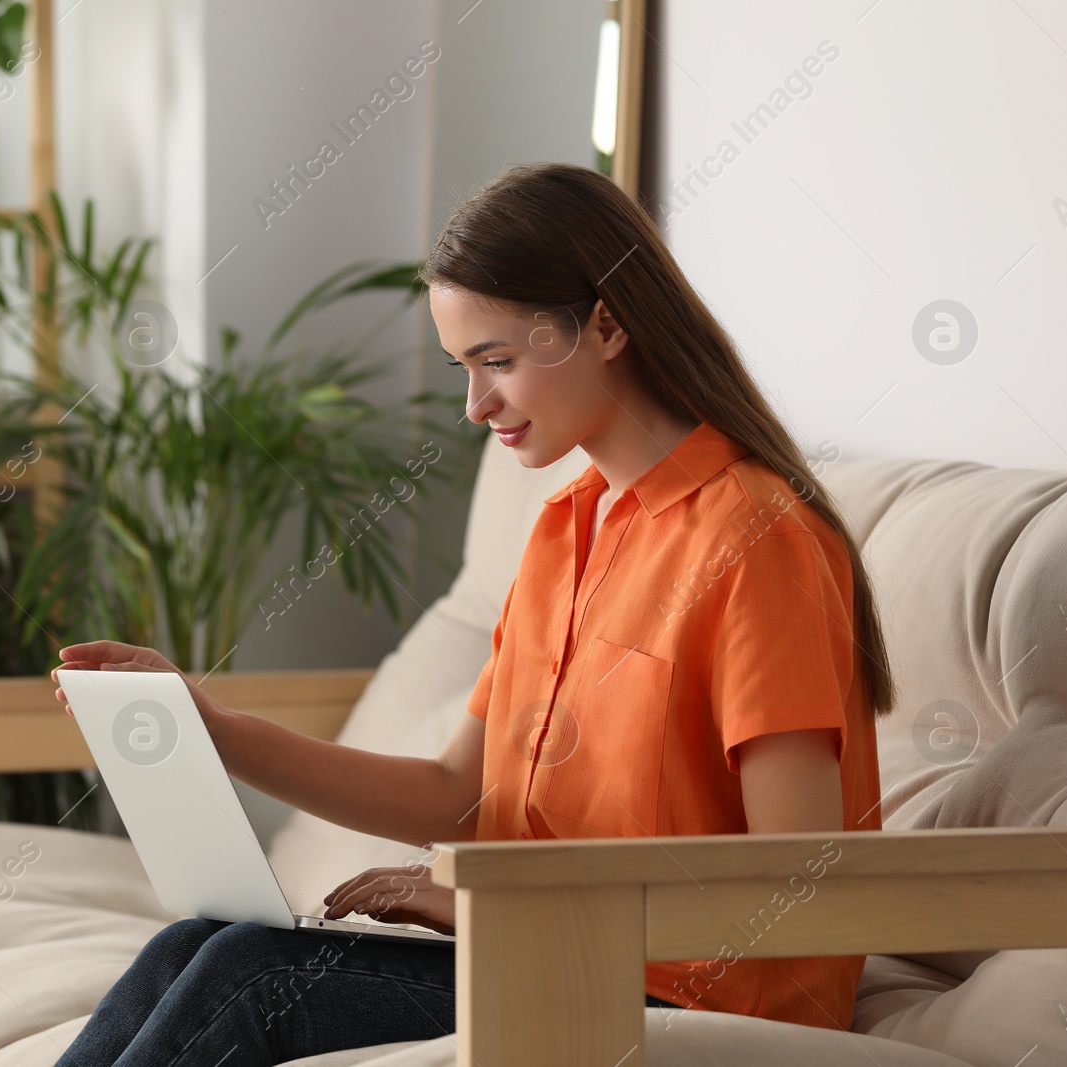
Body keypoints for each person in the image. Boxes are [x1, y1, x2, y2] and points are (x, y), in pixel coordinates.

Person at [47, 160, 895, 1067]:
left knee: (249, 974)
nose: (474, 404)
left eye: (497, 361)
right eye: (464, 366)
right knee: (190, 945)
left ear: (607, 324)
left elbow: (797, 878)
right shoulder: (564, 529)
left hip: (698, 1003)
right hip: (546, 957)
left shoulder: (755, 537)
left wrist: (493, 904)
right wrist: (209, 729)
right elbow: (459, 796)